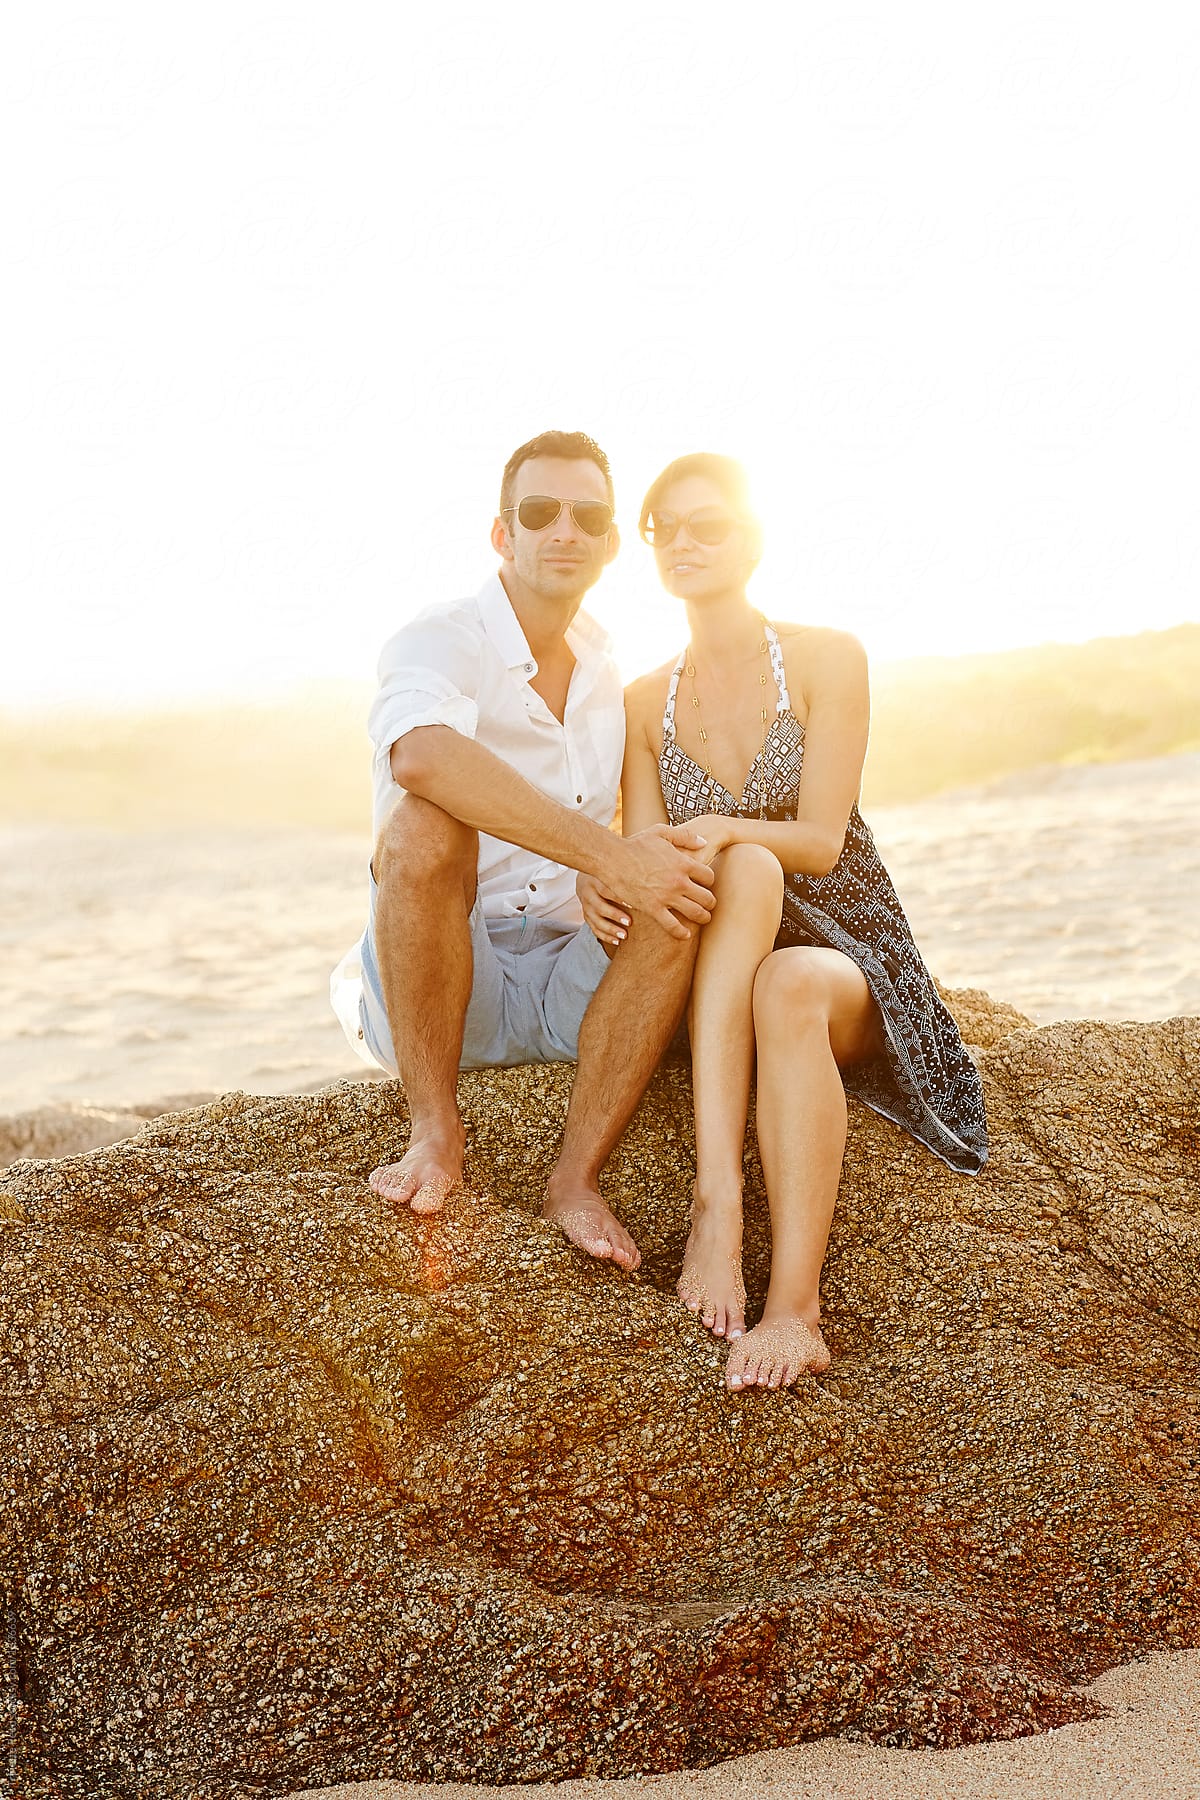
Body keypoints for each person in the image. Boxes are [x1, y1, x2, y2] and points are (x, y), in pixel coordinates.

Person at [578, 453, 987, 1390]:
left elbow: (821, 839)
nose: (683, 542)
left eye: (707, 524)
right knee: (738, 881)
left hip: (842, 942)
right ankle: (716, 1198)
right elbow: (654, 863)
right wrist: (594, 879)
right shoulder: (645, 703)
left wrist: (723, 828)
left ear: (753, 538)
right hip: (724, 943)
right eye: (664, 529)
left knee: (777, 931)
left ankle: (793, 1309)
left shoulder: (826, 656)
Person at [331, 430, 718, 1269]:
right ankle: (434, 1132)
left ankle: (574, 1178)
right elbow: (421, 754)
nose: (565, 531)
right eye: (540, 512)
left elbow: (626, 839)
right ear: (503, 533)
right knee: (425, 820)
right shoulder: (442, 637)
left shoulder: (605, 666)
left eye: (589, 517)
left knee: (677, 883)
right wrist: (604, 856)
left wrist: (614, 867)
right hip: (446, 988)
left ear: (612, 543)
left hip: (572, 986)